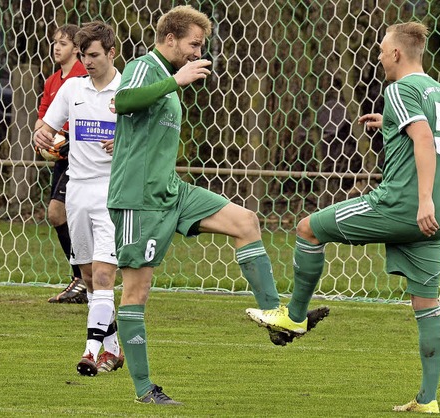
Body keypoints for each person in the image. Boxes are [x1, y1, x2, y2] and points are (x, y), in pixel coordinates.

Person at [106, 5, 328, 405]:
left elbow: (136, 126)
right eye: (193, 44)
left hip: (171, 190)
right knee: (136, 292)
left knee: (245, 221)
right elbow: (123, 99)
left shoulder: (171, 79)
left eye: (201, 46)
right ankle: (144, 390)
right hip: (139, 201)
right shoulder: (146, 65)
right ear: (169, 38)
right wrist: (175, 80)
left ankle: (276, 320)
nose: (197, 53)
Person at [247, 22, 440, 414]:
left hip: (401, 206)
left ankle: (293, 317)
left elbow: (425, 139)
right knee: (427, 305)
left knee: (308, 229)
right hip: (437, 216)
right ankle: (428, 400)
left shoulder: (400, 89)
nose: (378, 57)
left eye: (381, 50)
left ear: (397, 53)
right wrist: (392, 126)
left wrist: (422, 199)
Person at [34, 21, 124, 376]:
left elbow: (151, 139)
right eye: (84, 55)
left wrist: (127, 143)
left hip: (112, 194)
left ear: (111, 53)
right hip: (77, 193)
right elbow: (45, 128)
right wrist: (42, 139)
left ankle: (90, 351)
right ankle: (114, 349)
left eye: (95, 55)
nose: (88, 62)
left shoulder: (128, 90)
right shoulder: (72, 89)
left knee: (103, 277)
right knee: (89, 277)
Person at [35, 24, 89, 304]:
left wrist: (63, 137)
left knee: (59, 213)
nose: (57, 47)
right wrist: (42, 135)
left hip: (81, 158)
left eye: (64, 43)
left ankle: (84, 278)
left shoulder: (83, 77)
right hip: (62, 159)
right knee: (62, 215)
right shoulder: (53, 80)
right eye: (55, 42)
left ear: (77, 49)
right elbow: (43, 115)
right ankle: (83, 279)